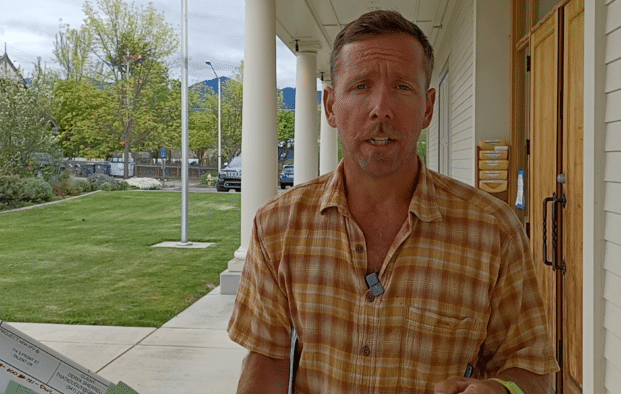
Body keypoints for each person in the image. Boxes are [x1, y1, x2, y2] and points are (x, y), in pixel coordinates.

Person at [228, 9, 559, 394]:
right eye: (361, 86)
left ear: (429, 107)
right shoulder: (278, 225)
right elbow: (267, 358)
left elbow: (532, 369)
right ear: (331, 107)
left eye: (402, 87)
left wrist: (504, 391)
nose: (381, 109)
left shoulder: (493, 230)